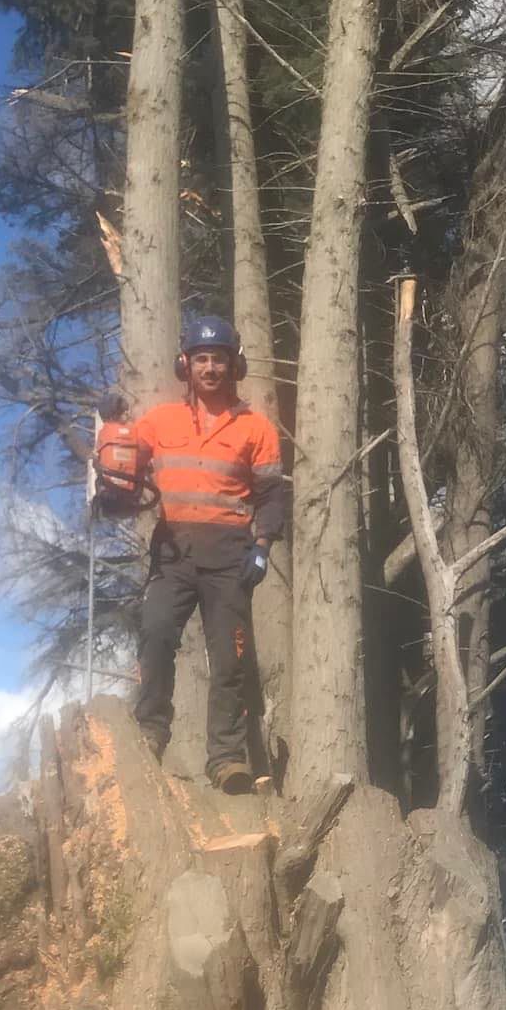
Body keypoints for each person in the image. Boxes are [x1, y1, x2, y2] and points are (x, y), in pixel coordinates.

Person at [127, 315, 288, 794]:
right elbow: (123, 463)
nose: (211, 368)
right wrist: (111, 429)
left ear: (234, 364)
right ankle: (151, 730)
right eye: (202, 359)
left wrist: (262, 546)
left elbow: (272, 495)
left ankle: (226, 758)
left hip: (230, 556)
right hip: (172, 550)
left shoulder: (256, 428)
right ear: (186, 365)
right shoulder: (159, 420)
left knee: (230, 660)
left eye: (219, 359)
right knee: (155, 633)